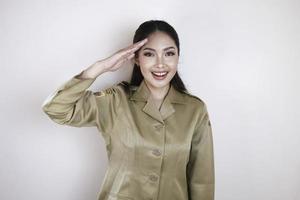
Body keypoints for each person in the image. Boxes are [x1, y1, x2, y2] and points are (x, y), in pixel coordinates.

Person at [42, 20, 215, 200]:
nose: (160, 64)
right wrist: (100, 68)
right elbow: (55, 108)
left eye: (169, 53)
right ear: (136, 59)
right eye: (149, 54)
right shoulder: (114, 101)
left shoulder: (195, 110)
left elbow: (202, 181)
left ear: (178, 57)